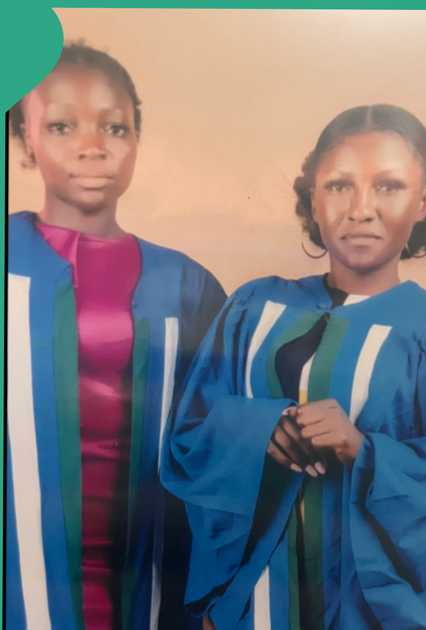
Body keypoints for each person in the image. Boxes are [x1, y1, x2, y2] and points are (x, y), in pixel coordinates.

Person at [161, 104, 426, 629]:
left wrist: (364, 452)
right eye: (339, 186)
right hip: (254, 608)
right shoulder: (253, 310)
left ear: (422, 202)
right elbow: (190, 438)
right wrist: (261, 429)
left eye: (388, 186)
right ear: (313, 199)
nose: (361, 208)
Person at [6, 42, 226, 629]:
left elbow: (216, 448)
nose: (92, 146)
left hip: (149, 578)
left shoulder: (187, 286)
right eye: (60, 125)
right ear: (25, 140)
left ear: (135, 142)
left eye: (115, 127)